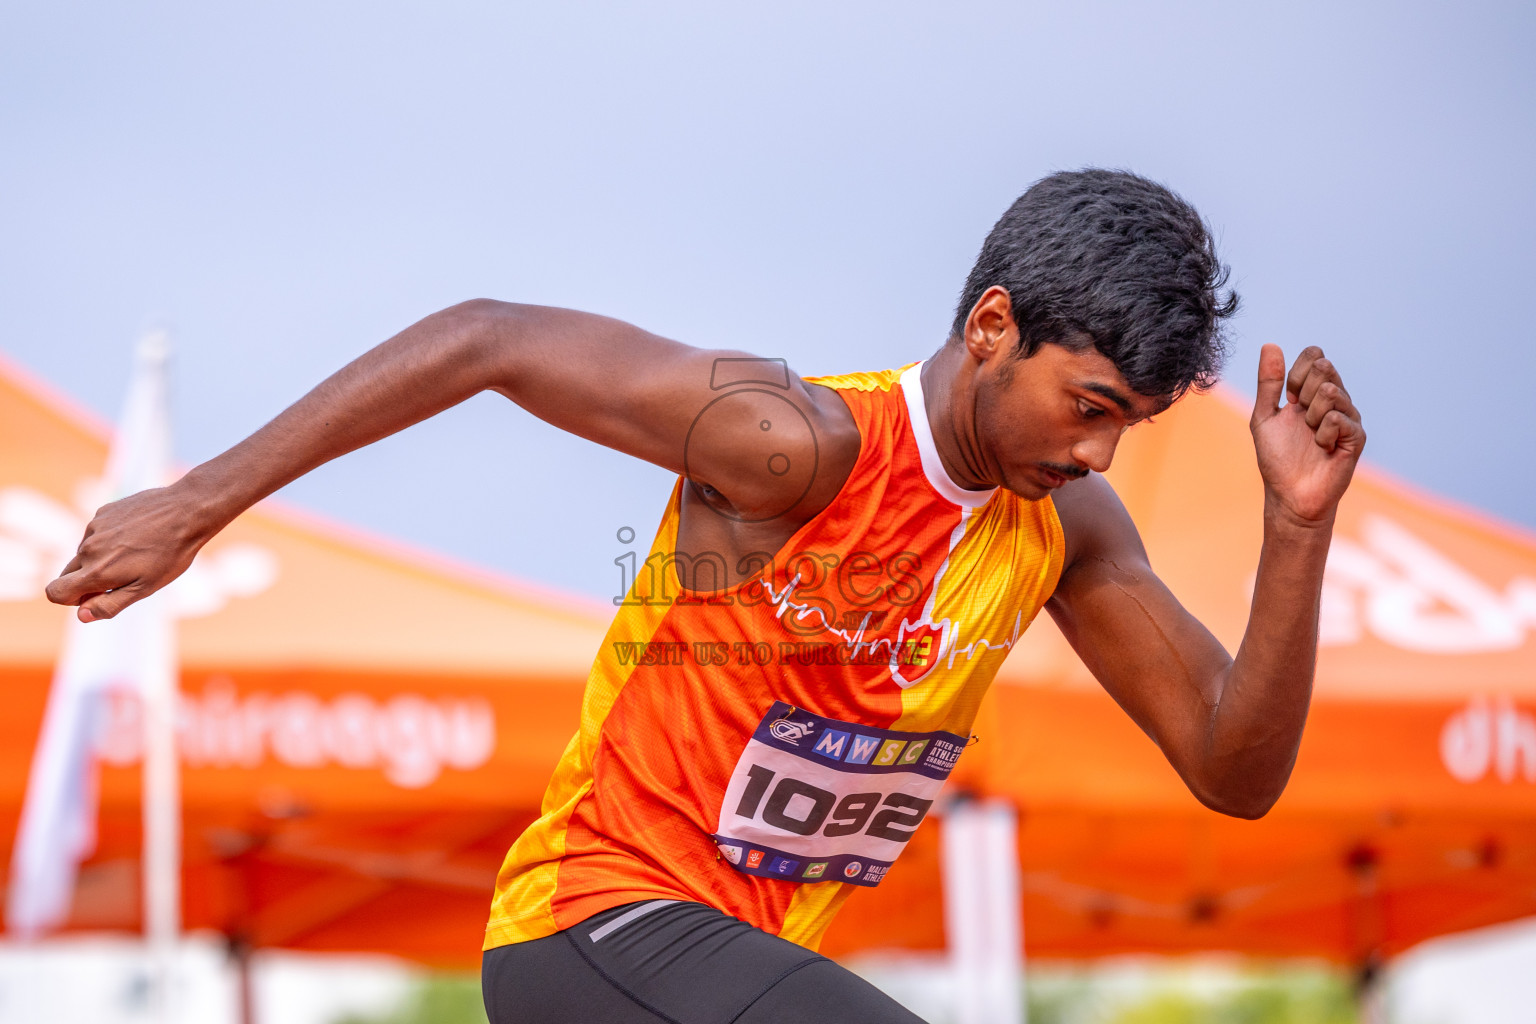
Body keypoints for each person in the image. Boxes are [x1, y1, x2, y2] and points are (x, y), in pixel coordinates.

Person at [47, 169, 1363, 1023]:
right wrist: (197, 501)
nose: (1095, 454)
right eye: (1086, 409)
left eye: (1126, 427)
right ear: (989, 330)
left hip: (723, 980)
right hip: (593, 927)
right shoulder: (793, 445)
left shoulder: (1065, 530)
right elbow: (490, 338)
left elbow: (1233, 770)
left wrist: (1298, 533)